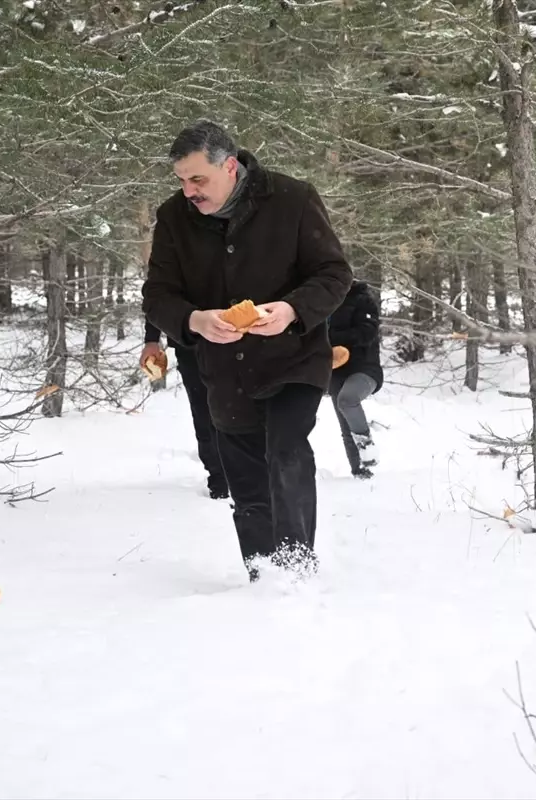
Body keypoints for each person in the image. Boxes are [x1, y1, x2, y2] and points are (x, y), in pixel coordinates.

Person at [141, 120, 352, 581]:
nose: (189, 190)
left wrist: (292, 310)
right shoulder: (174, 217)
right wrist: (195, 321)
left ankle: (296, 570)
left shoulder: (293, 199)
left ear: (230, 166)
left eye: (199, 179)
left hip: (293, 357)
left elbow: (334, 274)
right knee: (245, 475)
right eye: (181, 180)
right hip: (221, 367)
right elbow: (158, 295)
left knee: (286, 450)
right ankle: (262, 574)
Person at [140, 319, 229, 500]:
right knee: (203, 410)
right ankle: (219, 477)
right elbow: (159, 294)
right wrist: (151, 340)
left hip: (237, 339)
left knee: (240, 409)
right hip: (191, 343)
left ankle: (248, 472)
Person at [327, 279, 383, 479]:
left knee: (347, 399)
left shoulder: (362, 299)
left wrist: (332, 338)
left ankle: (366, 444)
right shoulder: (320, 302)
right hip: (335, 369)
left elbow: (367, 332)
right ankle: (360, 471)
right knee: (345, 425)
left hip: (364, 368)